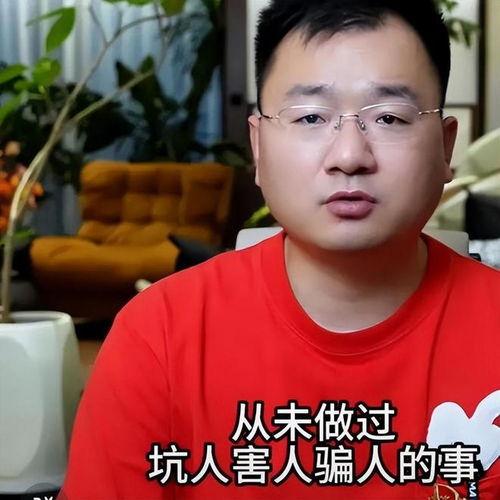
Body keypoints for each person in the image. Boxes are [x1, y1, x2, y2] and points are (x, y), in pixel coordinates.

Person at [59, 0, 500, 498]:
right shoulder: (157, 334)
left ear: (445, 147)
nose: (349, 156)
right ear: (259, 146)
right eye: (310, 116)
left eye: (390, 118)